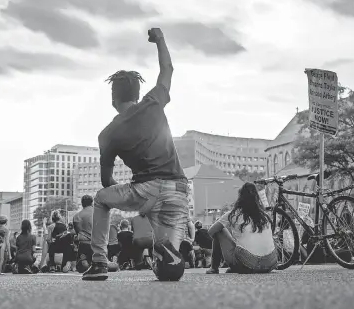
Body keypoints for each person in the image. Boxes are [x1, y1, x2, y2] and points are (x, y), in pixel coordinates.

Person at [83, 27, 188, 282]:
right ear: (137, 93)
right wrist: (160, 40)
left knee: (100, 198)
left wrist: (135, 200)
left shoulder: (107, 134)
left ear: (112, 99)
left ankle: (98, 263)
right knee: (166, 270)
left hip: (143, 190)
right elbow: (167, 70)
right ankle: (167, 253)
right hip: (178, 189)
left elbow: (107, 183)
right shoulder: (154, 102)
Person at [206, 182, 277, 274]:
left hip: (247, 265)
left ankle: (214, 268)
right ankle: (237, 264)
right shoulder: (264, 216)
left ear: (240, 198)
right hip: (270, 264)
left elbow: (211, 231)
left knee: (219, 231)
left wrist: (228, 243)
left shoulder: (233, 214)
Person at [73, 195, 94, 273]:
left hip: (83, 243)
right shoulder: (99, 214)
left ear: (82, 204)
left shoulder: (76, 216)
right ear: (92, 203)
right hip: (97, 244)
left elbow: (78, 232)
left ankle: (84, 259)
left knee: (80, 267)